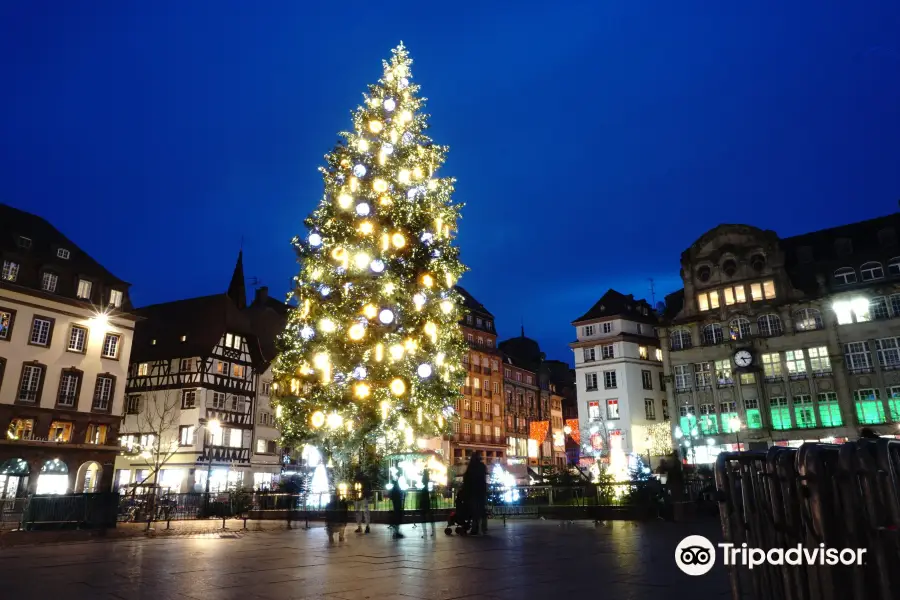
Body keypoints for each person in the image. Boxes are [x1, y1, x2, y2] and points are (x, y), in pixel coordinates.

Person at [462, 451, 488, 534]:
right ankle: (484, 527)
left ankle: (475, 528)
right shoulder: (482, 466)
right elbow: (483, 478)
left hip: (473, 491)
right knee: (481, 509)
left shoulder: (471, 467)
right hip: (480, 490)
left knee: (474, 511)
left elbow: (466, 479)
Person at [353, 469, 371, 534]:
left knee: (360, 511)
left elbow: (355, 488)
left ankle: (362, 526)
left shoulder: (358, 478)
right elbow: (369, 487)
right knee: (363, 511)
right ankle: (365, 526)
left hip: (361, 497)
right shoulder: (364, 478)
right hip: (361, 497)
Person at [419, 467, 435, 537]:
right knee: (428, 516)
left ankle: (425, 532)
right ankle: (432, 531)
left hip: (424, 501)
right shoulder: (426, 487)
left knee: (423, 517)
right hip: (426, 501)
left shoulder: (424, 488)